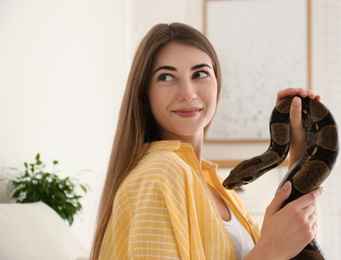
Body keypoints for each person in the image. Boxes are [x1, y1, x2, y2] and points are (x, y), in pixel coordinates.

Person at [91, 22, 323, 260]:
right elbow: (269, 253)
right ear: (144, 93)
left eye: (200, 73)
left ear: (217, 84)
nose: (188, 93)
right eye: (166, 76)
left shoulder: (216, 185)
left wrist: (299, 145)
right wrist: (270, 251)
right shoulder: (160, 175)